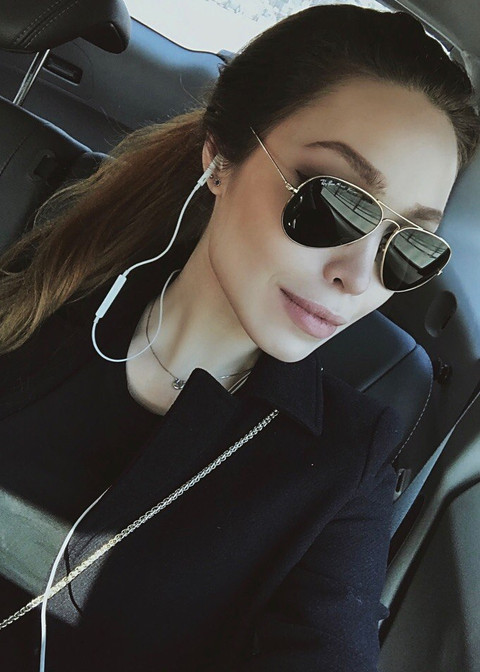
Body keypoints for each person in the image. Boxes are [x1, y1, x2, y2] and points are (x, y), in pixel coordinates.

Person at [0, 4, 479, 671]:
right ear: (221, 158)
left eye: (410, 246)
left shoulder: (345, 459)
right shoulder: (38, 287)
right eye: (335, 201)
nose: (357, 276)